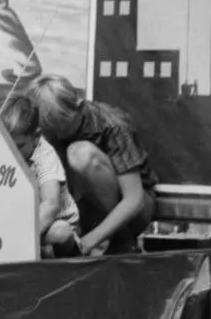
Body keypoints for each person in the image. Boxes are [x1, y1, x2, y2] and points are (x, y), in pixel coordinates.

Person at [27, 74, 158, 256]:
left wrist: (90, 241)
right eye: (51, 131)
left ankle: (120, 240)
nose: (59, 136)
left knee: (80, 154)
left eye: (63, 127)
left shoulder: (112, 125)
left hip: (134, 208)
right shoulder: (49, 134)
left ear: (78, 107)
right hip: (80, 208)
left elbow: (134, 200)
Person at [0, 92, 82, 257]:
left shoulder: (44, 155)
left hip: (51, 222)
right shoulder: (2, 151)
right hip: (21, 221)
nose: (11, 152)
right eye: (4, 143)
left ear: (36, 137)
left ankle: (62, 256)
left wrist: (18, 241)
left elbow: (51, 205)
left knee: (60, 232)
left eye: (19, 145)